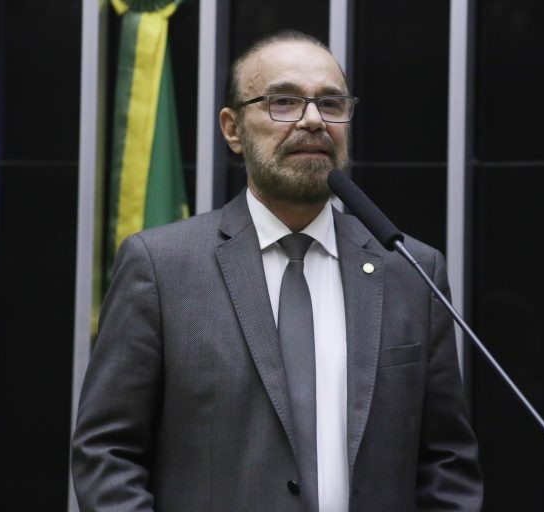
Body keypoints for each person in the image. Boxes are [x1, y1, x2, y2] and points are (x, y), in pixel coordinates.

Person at [72, 30, 483, 512]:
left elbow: (447, 463)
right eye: (283, 102)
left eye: (331, 104)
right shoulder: (161, 267)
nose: (313, 120)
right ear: (232, 128)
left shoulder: (410, 268)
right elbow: (107, 455)